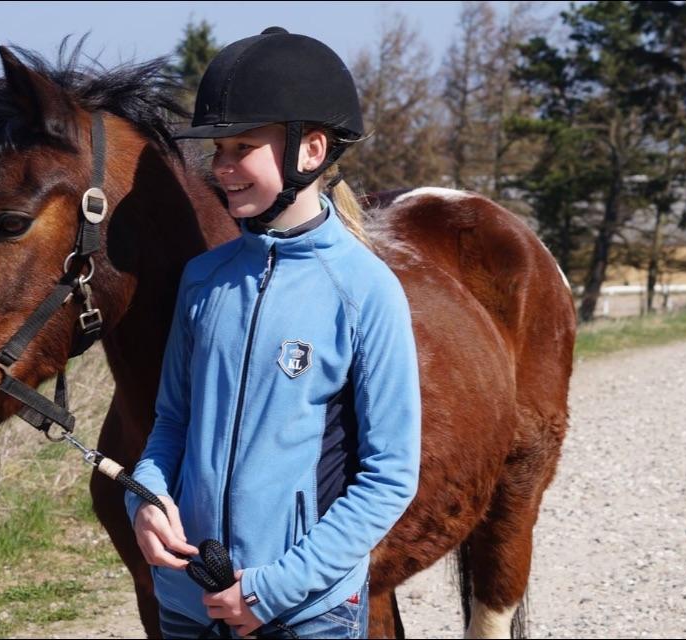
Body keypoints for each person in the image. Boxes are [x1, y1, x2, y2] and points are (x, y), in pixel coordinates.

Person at [125, 27, 421, 639]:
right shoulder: (202, 280)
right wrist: (145, 499)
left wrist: (270, 591)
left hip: (302, 610)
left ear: (309, 151)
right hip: (188, 603)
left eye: (241, 148)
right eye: (218, 150)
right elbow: (171, 425)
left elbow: (390, 474)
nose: (222, 168)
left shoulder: (365, 290)